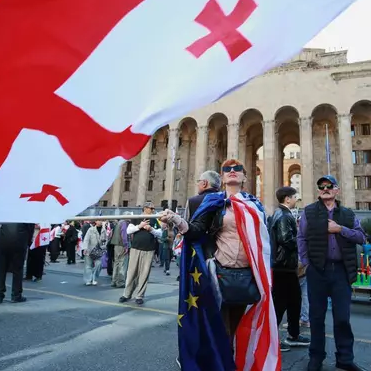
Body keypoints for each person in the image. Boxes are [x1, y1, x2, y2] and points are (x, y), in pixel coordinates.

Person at [160, 159, 280, 370]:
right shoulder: (214, 202)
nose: (232, 172)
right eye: (227, 170)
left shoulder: (254, 204)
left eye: (237, 169)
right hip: (220, 273)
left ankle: (227, 361)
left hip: (246, 275)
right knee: (221, 329)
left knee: (235, 327)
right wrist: (177, 220)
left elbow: (265, 241)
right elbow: (197, 230)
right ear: (222, 178)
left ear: (245, 177)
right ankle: (221, 364)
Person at [297, 175, 366, 371]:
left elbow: (361, 237)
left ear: (336, 190)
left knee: (342, 318)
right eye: (322, 187)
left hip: (341, 271)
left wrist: (340, 229)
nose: (325, 189)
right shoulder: (308, 212)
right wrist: (306, 263)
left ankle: (344, 359)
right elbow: (301, 238)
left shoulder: (348, 214)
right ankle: (316, 358)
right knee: (316, 317)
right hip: (318, 270)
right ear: (319, 191)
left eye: (329, 186)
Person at [270, 186, 310, 351]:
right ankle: (273, 339)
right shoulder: (284, 215)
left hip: (284, 265)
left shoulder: (280, 214)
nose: (296, 200)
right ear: (287, 198)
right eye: (295, 197)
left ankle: (293, 334)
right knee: (281, 304)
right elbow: (286, 239)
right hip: (283, 266)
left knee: (294, 301)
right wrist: (303, 241)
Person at [119, 202, 161, 305]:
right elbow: (128, 231)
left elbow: (159, 233)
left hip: (149, 250)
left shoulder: (155, 219)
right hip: (135, 248)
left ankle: (140, 296)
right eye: (151, 208)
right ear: (145, 208)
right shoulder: (137, 218)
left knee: (144, 273)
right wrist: (140, 226)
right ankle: (126, 294)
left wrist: (151, 229)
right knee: (131, 272)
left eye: (153, 208)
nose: (153, 210)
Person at [0, 223, 35, 304]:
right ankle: (16, 295)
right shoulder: (27, 214)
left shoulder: (7, 212)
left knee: (1, 270)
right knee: (18, 269)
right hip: (19, 241)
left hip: (4, 241)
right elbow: (30, 228)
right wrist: (29, 242)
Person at [82, 221, 104, 286]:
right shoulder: (91, 229)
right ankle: (88, 279)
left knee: (99, 264)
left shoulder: (104, 230)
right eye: (98, 220)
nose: (100, 221)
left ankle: (94, 278)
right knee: (88, 265)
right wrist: (85, 248)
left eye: (101, 220)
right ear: (96, 222)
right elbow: (86, 239)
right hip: (89, 249)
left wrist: (104, 247)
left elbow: (106, 239)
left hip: (98, 250)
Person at [110, 217, 130, 288]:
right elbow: (124, 235)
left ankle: (114, 281)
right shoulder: (124, 223)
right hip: (121, 245)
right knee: (122, 263)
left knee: (116, 263)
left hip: (116, 245)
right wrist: (126, 246)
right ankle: (120, 282)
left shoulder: (118, 223)